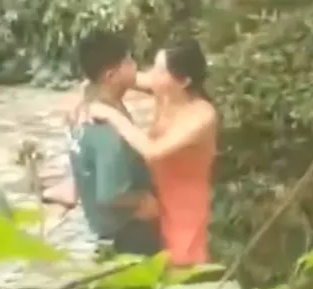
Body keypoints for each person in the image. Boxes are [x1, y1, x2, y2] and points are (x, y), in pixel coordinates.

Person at [88, 39, 217, 267]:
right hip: (154, 197)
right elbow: (116, 78)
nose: (150, 75)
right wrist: (87, 97)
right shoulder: (165, 90)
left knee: (182, 265)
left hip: (185, 205)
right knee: (149, 263)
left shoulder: (202, 115)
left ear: (184, 81)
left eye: (160, 70)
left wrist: (112, 115)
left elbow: (153, 151)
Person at [67, 29, 161, 258]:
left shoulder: (92, 103)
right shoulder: (107, 130)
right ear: (111, 76)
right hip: (128, 234)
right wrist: (143, 199)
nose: (135, 66)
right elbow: (110, 195)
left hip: (104, 227)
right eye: (129, 61)